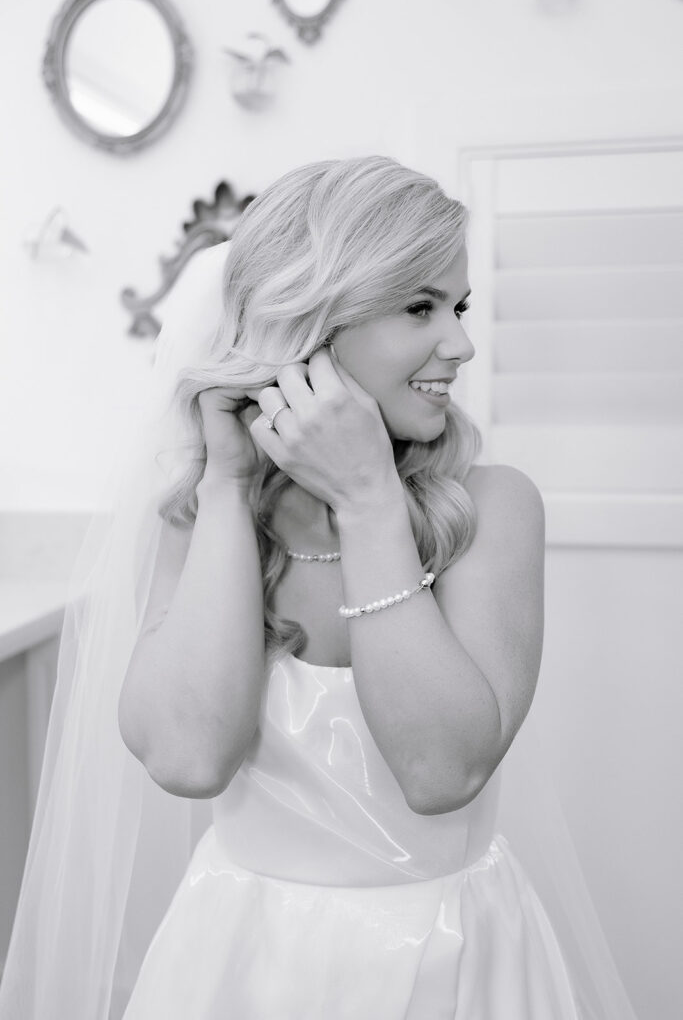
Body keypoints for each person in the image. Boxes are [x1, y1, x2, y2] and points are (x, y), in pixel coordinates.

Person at [0, 157, 638, 1020]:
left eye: (456, 307)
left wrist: (368, 500)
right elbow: (188, 760)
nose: (459, 343)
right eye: (419, 307)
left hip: (448, 964)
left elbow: (441, 771)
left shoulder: (492, 507)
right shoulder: (199, 513)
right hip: (239, 963)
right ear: (309, 323)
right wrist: (226, 486)